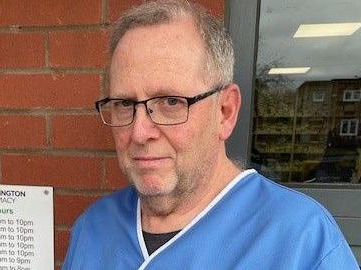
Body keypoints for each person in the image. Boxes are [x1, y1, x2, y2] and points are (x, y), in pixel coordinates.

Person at [62, 1, 359, 269]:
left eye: (171, 102)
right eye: (125, 104)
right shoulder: (93, 228)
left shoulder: (302, 242)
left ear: (225, 112)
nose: (140, 132)